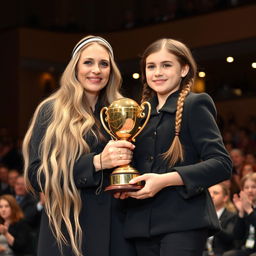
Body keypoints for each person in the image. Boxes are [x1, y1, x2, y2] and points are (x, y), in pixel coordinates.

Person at [116, 38, 232, 256]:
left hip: (183, 223)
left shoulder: (194, 104)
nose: (157, 72)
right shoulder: (139, 114)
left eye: (166, 65)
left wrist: (164, 181)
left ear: (184, 69)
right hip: (140, 225)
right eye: (151, 66)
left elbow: (222, 164)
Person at [22, 35, 136, 256]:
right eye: (88, 62)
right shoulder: (51, 111)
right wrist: (95, 162)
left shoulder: (122, 111)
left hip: (117, 232)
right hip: (68, 232)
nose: (97, 70)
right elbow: (37, 176)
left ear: (111, 71)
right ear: (75, 67)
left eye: (104, 64)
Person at [223, 173, 256, 256]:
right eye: (246, 187)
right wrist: (241, 212)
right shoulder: (245, 208)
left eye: (254, 187)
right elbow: (237, 237)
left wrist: (249, 210)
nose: (249, 190)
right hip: (247, 249)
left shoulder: (248, 209)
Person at [203, 183, 237, 256]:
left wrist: (214, 224)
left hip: (221, 253)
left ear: (225, 198)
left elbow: (229, 237)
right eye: (209, 193)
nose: (211, 196)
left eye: (216, 193)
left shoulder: (231, 216)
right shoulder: (202, 214)